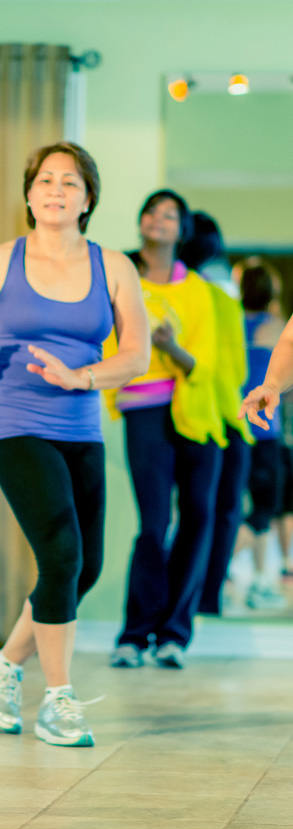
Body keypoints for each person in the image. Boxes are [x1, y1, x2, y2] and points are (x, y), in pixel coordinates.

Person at [0, 142, 148, 748]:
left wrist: (81, 377)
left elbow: (137, 354)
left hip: (81, 426)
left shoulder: (113, 266)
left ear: (88, 198)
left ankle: (0, 669)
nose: (56, 190)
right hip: (14, 422)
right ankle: (59, 700)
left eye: (70, 182)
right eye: (45, 180)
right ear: (28, 193)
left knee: (83, 567)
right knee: (64, 554)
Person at [108, 190, 224, 670]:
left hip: (196, 415)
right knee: (153, 525)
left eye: (170, 214)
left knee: (197, 518)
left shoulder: (198, 290)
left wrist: (171, 348)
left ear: (183, 230)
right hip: (144, 409)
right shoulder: (121, 278)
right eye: (152, 211)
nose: (159, 219)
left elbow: (204, 365)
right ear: (141, 222)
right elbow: (108, 344)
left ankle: (175, 634)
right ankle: (135, 636)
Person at [177, 213, 254, 617]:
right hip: (229, 416)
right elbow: (238, 369)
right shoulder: (223, 299)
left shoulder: (182, 295)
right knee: (224, 513)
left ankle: (185, 599)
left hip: (191, 415)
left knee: (194, 514)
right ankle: (209, 598)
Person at [236, 259, 288, 609]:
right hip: (267, 433)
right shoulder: (276, 329)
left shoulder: (235, 325)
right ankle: (214, 560)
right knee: (264, 509)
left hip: (238, 428)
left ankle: (258, 579)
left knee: (257, 510)